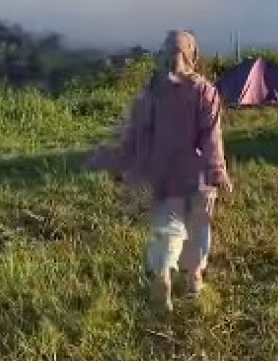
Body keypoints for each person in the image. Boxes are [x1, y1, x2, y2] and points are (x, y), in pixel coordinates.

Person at [86, 30, 233, 311]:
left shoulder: (153, 90)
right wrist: (218, 171)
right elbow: (211, 136)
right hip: (198, 174)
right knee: (199, 226)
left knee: (168, 227)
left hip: (163, 173)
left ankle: (164, 273)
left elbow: (136, 131)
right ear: (193, 54)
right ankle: (194, 279)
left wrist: (124, 160)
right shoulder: (205, 91)